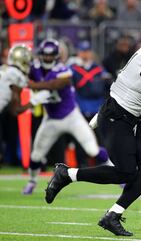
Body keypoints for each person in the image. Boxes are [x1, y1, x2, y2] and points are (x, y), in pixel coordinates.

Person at [44, 16, 141, 236]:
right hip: (117, 117)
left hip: (128, 117)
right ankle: (67, 174)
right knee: (125, 172)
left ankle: (113, 215)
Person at [22, 39, 110, 195]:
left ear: (57, 56)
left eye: (51, 55)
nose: (48, 58)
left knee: (92, 149)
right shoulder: (34, 68)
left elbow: (54, 85)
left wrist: (32, 85)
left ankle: (117, 172)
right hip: (51, 119)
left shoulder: (63, 69)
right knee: (36, 155)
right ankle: (31, 182)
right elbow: (23, 74)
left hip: (71, 117)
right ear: (41, 55)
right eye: (45, 55)